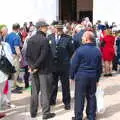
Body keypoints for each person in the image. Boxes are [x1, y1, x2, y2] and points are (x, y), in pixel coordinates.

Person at [26, 20, 55, 119]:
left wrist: (32, 66)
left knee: (34, 92)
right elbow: (43, 56)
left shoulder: (30, 39)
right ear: (40, 28)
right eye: (45, 26)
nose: (46, 28)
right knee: (45, 92)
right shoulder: (44, 39)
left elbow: (27, 56)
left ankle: (33, 112)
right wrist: (35, 67)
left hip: (34, 69)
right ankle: (45, 113)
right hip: (43, 70)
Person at [71, 31, 102, 120]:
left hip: (81, 77)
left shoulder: (80, 50)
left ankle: (78, 117)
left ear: (87, 38)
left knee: (79, 97)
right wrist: (97, 79)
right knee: (91, 96)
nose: (81, 39)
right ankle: (91, 116)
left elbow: (74, 64)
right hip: (92, 76)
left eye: (83, 38)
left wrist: (72, 76)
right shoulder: (97, 50)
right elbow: (99, 67)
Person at [48, 23, 74, 110]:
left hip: (64, 65)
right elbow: (48, 50)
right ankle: (52, 100)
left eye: (60, 29)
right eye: (57, 29)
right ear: (54, 29)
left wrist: (66, 59)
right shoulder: (50, 37)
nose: (59, 30)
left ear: (62, 29)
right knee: (53, 84)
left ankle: (66, 102)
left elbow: (71, 51)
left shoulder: (67, 38)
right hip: (53, 65)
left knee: (65, 85)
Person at [6, 23, 22, 93]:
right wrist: (20, 56)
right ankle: (13, 87)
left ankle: (13, 85)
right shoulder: (16, 36)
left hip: (8, 55)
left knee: (9, 72)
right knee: (16, 71)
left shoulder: (8, 36)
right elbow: (16, 47)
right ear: (18, 29)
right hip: (14, 56)